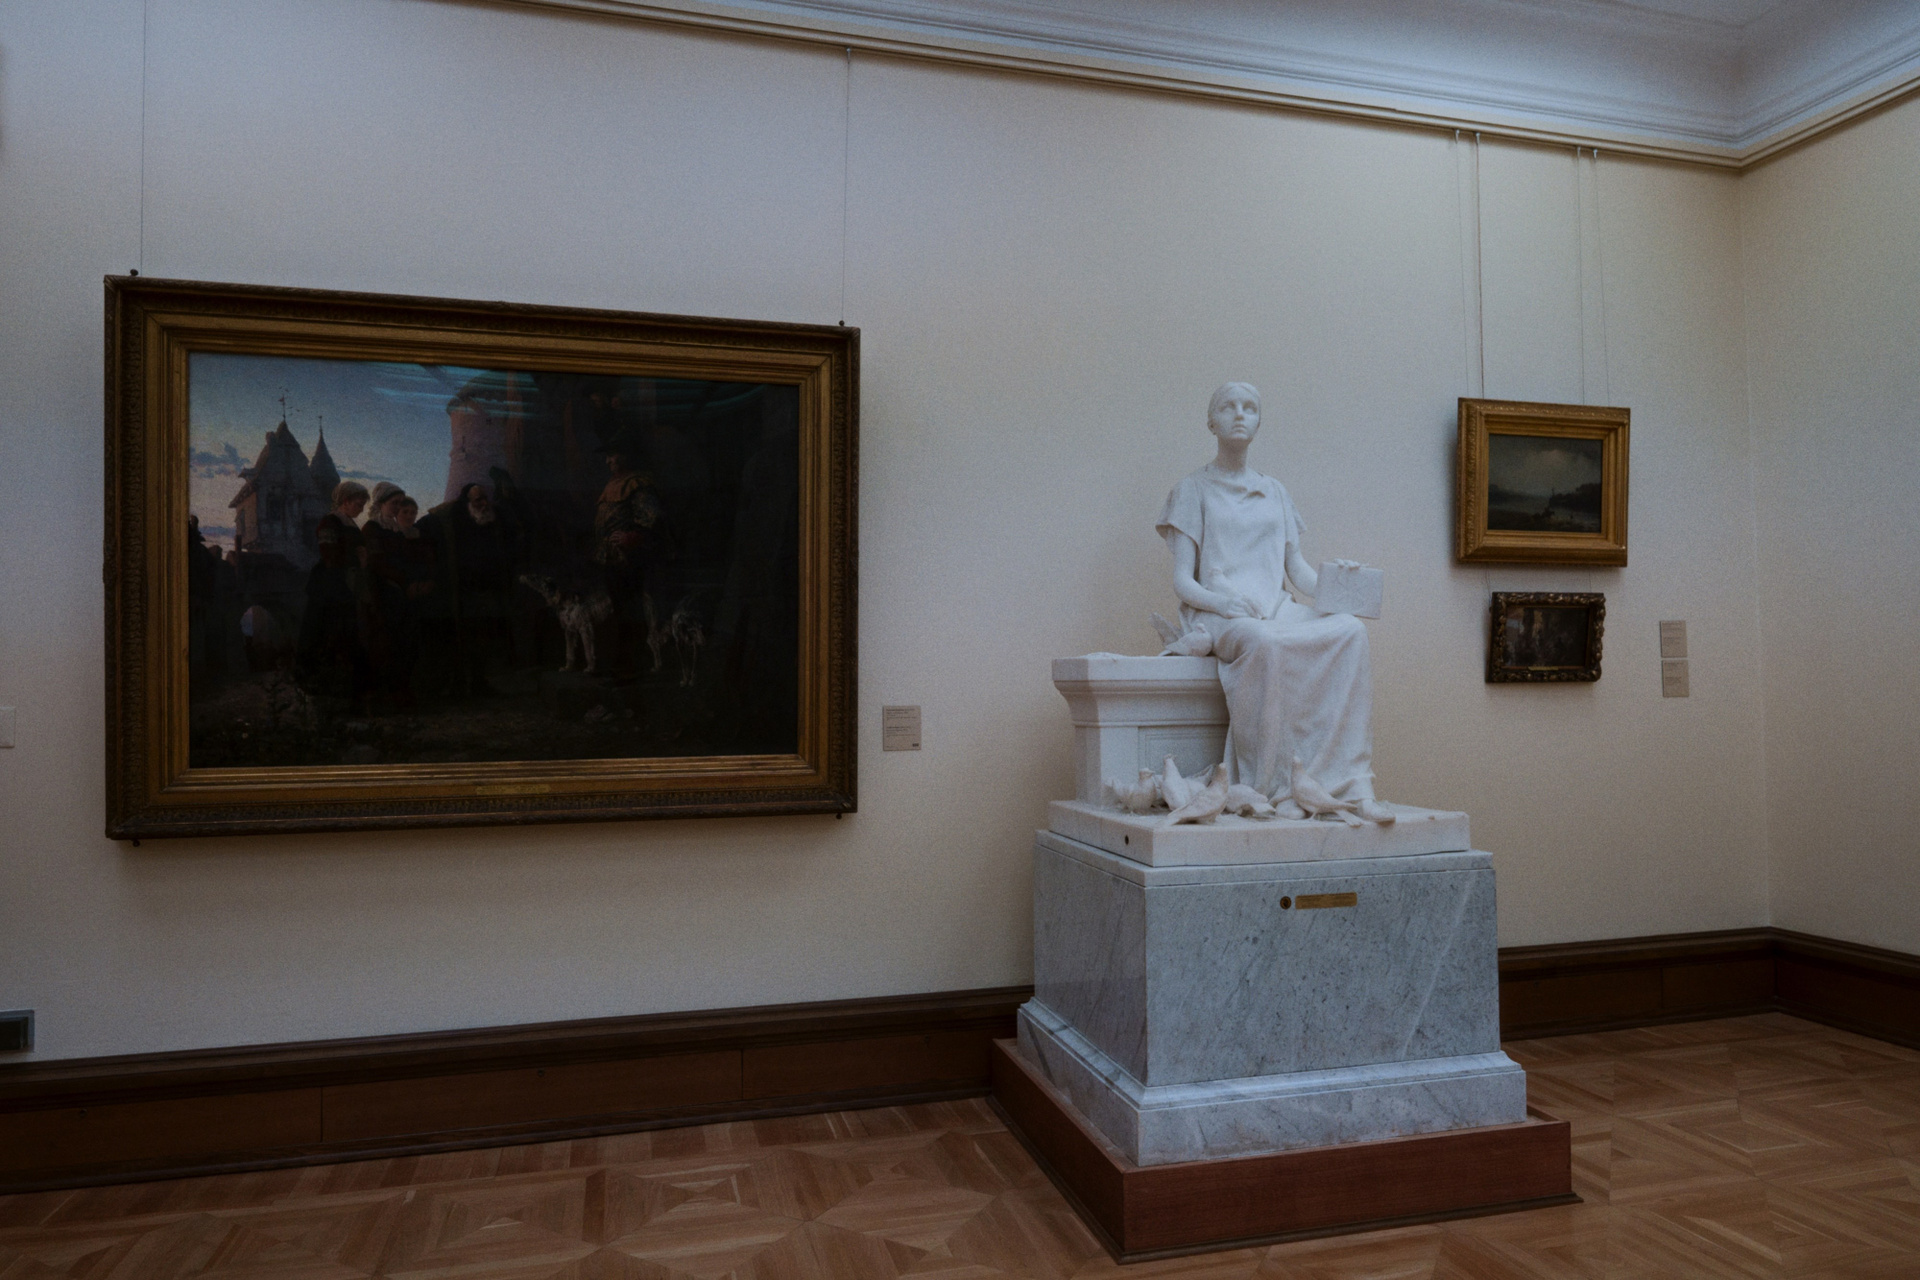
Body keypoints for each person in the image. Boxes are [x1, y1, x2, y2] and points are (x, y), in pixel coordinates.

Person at [1156, 383, 1394, 822]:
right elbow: (1183, 582)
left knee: (1351, 631)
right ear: (1211, 422)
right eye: (1228, 407)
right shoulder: (1193, 489)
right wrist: (1222, 603)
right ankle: (1271, 786)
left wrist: (1338, 581)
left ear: (1259, 422)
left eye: (1249, 408)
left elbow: (1297, 571)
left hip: (1277, 606)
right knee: (1263, 642)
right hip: (1218, 613)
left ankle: (1349, 784)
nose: (1239, 414)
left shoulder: (1275, 491)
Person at [418, 482, 517, 696]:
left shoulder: (492, 520)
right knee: (459, 640)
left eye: (485, 498)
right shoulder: (453, 518)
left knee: (483, 639)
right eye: (478, 500)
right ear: (467, 503)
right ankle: (459, 685)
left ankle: (479, 682)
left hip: (485, 592)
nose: (484, 504)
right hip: (461, 594)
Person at [295, 481, 372, 700]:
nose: (361, 509)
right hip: (330, 583)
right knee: (326, 633)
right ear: (345, 501)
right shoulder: (330, 522)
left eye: (363, 505)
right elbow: (329, 554)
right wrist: (356, 558)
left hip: (349, 582)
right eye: (358, 504)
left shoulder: (351, 523)